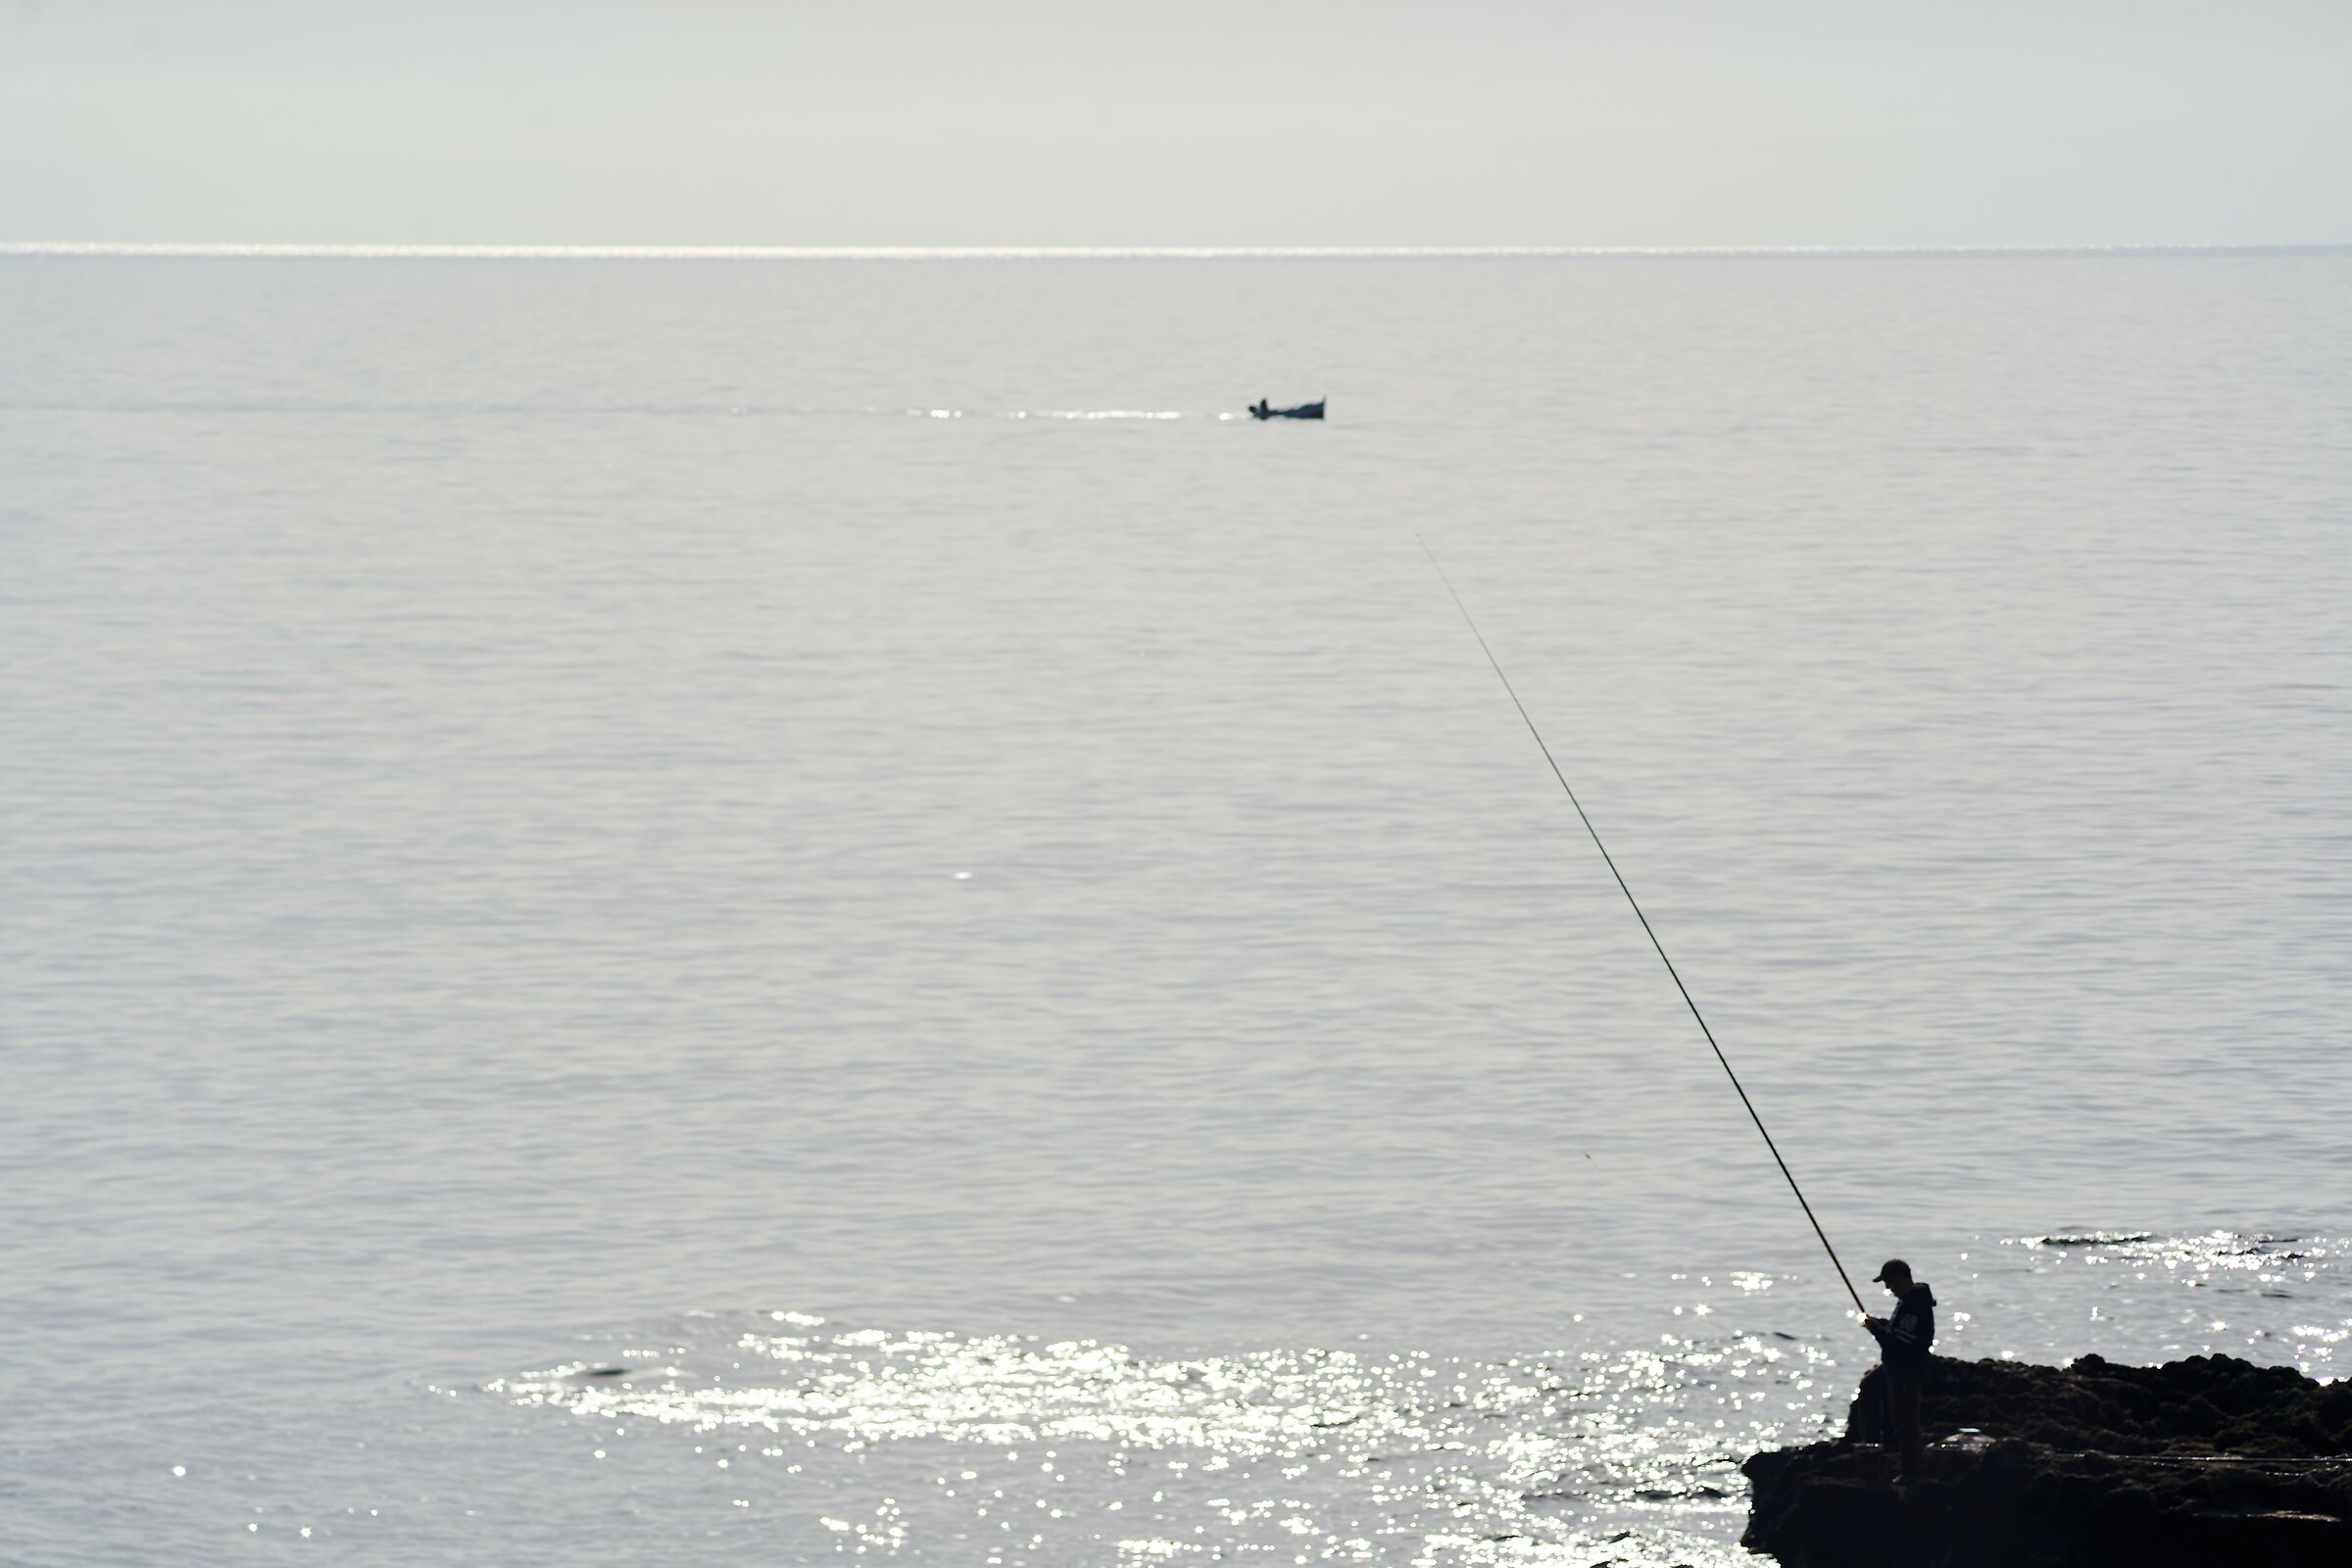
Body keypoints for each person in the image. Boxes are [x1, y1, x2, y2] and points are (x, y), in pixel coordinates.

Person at [1862, 1257, 1936, 1483]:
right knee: (1869, 1388)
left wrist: (1876, 1329)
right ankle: (1873, 1445)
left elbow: (1896, 1345)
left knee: (1906, 1419)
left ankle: (1912, 1471)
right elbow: (1898, 1331)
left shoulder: (1914, 1306)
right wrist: (1883, 1323)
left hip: (1907, 1370)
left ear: (1903, 1278)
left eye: (1890, 1283)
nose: (1888, 1288)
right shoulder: (1908, 1300)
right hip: (1895, 1366)